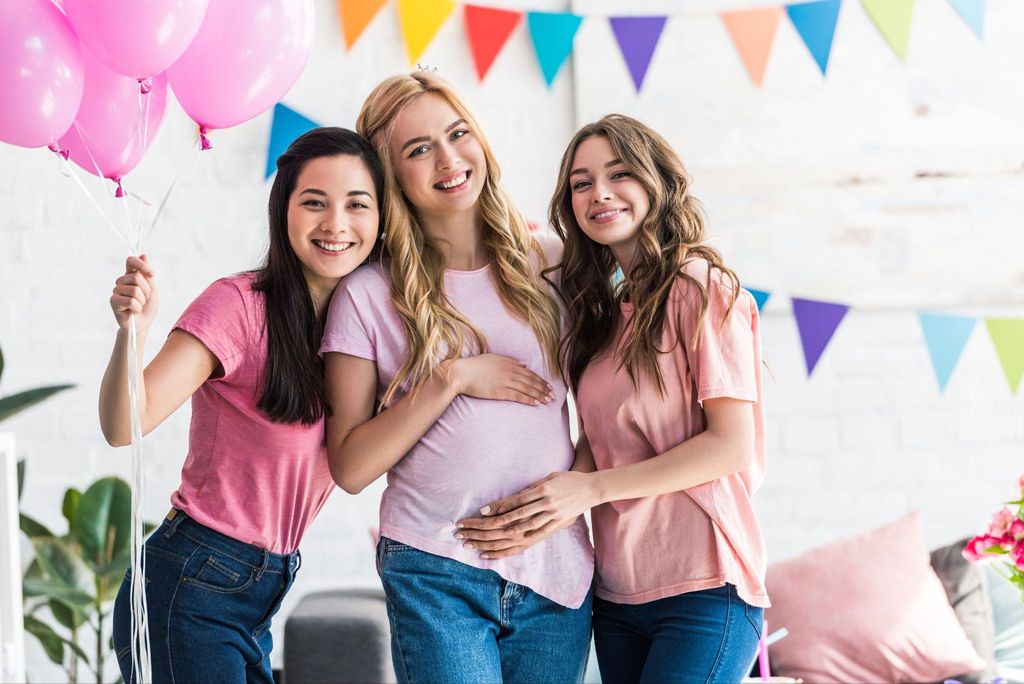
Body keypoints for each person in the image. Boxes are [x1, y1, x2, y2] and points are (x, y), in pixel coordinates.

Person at [457, 114, 770, 684]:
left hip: (704, 587)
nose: (598, 193)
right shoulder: (602, 313)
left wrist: (590, 489)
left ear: (657, 182)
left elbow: (730, 446)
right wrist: (546, 507)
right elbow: (598, 441)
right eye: (581, 183)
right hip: (617, 595)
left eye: (618, 173)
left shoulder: (699, 286)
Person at [320, 72, 593, 684]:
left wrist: (572, 491)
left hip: (554, 568)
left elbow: (614, 406)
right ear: (392, 178)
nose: (448, 159)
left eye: (457, 133)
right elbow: (350, 467)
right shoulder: (366, 295)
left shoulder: (554, 265)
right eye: (419, 150)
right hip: (435, 567)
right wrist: (451, 378)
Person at [102, 127, 384, 683]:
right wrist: (133, 329)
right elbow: (122, 425)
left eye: (357, 205)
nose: (336, 224)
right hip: (192, 584)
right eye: (314, 203)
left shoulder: (367, 329)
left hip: (263, 589)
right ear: (284, 212)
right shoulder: (239, 306)